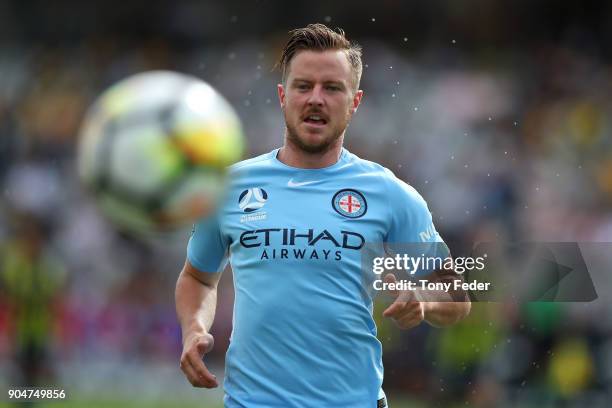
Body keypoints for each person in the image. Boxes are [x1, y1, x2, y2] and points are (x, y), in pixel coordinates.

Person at [175, 23, 471, 407]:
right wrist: (193, 329)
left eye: (332, 88)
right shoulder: (231, 187)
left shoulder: (389, 194)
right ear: (283, 96)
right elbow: (198, 276)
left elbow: (456, 295)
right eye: (303, 86)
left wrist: (424, 300)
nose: (316, 98)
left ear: (355, 101)